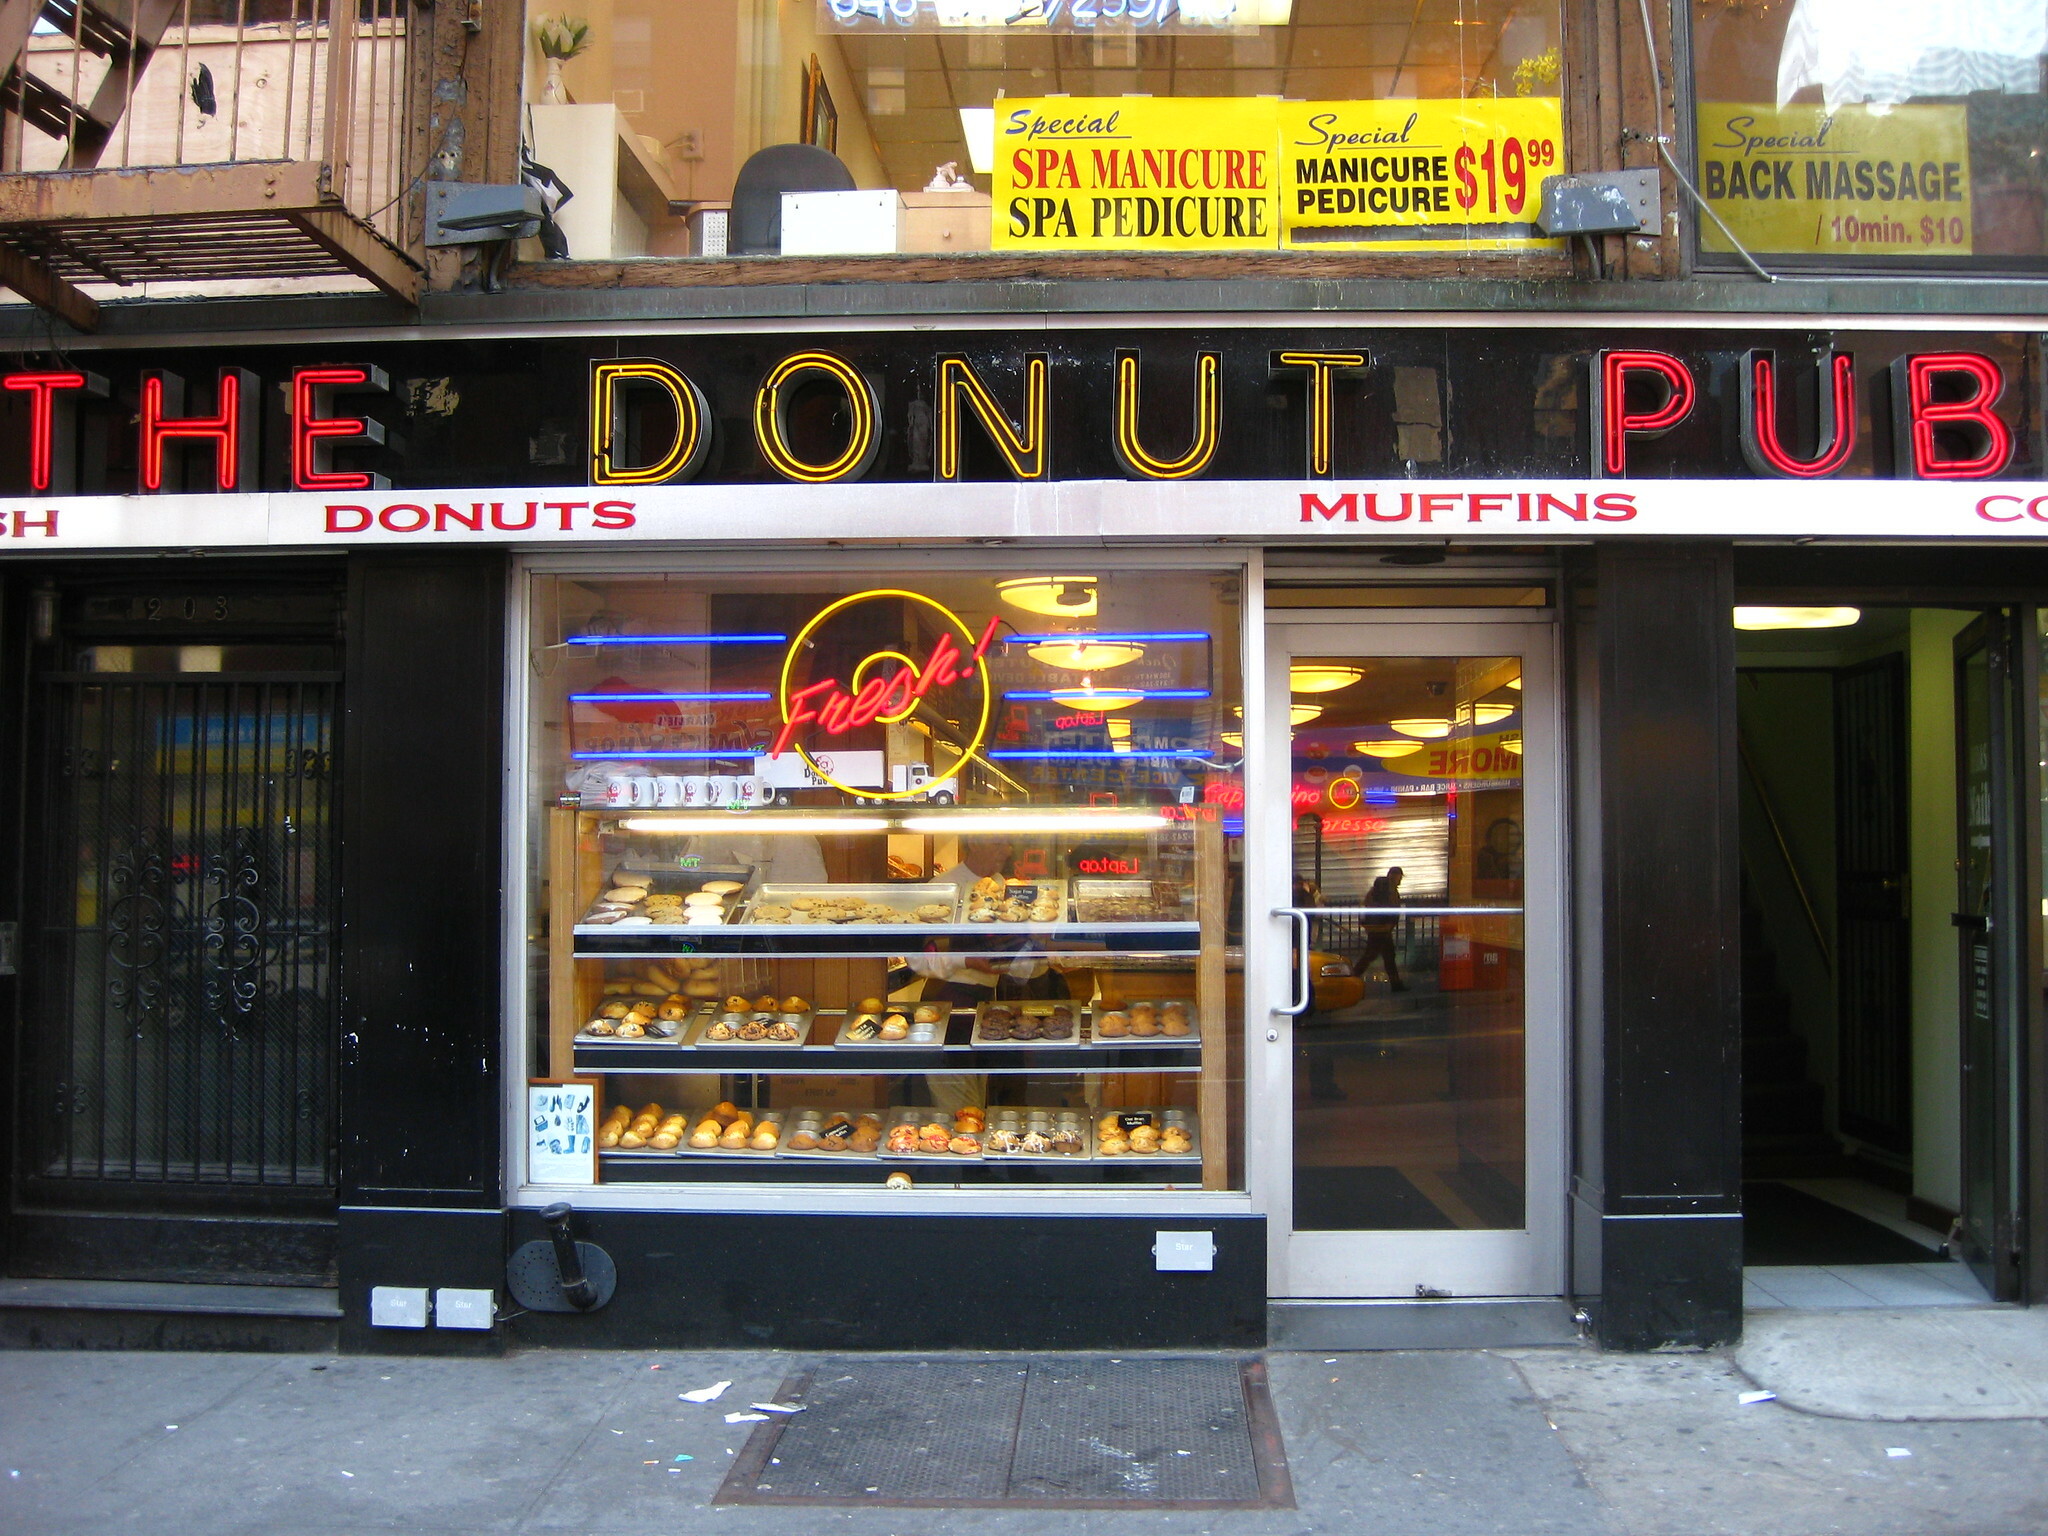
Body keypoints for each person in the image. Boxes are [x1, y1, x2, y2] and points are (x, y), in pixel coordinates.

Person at [1353, 865, 1407, 992]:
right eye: (1399, 877)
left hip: (1375, 928)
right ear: (1395, 876)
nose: (1400, 880)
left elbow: (1367, 905)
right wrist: (1390, 924)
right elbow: (1393, 910)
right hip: (1383, 929)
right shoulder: (1391, 891)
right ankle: (1351, 978)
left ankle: (1396, 984)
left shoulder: (1374, 890)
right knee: (1373, 956)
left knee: (1384, 956)